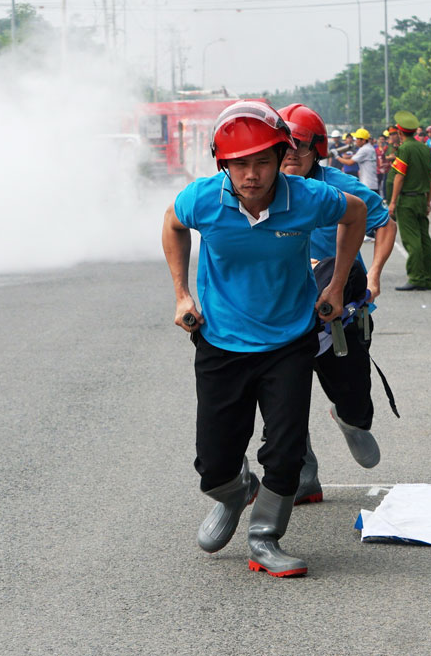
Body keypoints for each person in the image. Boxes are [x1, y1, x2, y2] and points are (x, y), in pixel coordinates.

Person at [162, 100, 366, 578]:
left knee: (287, 451)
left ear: (281, 158)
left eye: (262, 162)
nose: (251, 175)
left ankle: (264, 539)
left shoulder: (308, 197)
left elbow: (354, 215)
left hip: (288, 341)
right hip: (222, 342)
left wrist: (335, 285)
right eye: (239, 164)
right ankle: (233, 492)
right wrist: (181, 295)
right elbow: (172, 224)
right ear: (222, 164)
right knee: (213, 463)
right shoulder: (204, 199)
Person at [277, 103, 396, 505]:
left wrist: (375, 274)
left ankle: (350, 420)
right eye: (284, 144)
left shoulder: (341, 189)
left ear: (319, 149)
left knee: (355, 398)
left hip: (339, 315)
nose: (291, 152)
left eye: (300, 145)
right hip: (283, 316)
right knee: (283, 403)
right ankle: (303, 475)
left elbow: (385, 223)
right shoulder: (259, 191)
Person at [387, 111, 431, 291]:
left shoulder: (405, 149)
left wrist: (392, 201)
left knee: (411, 240)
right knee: (424, 239)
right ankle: (428, 278)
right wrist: (429, 201)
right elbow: (430, 177)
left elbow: (399, 176)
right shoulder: (424, 148)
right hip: (421, 199)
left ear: (400, 132)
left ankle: (416, 277)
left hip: (407, 200)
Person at [334, 128, 378, 193]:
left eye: (357, 139)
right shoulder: (370, 148)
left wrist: (337, 157)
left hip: (368, 184)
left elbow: (349, 162)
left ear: (363, 140)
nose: (355, 141)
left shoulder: (364, 149)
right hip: (371, 183)